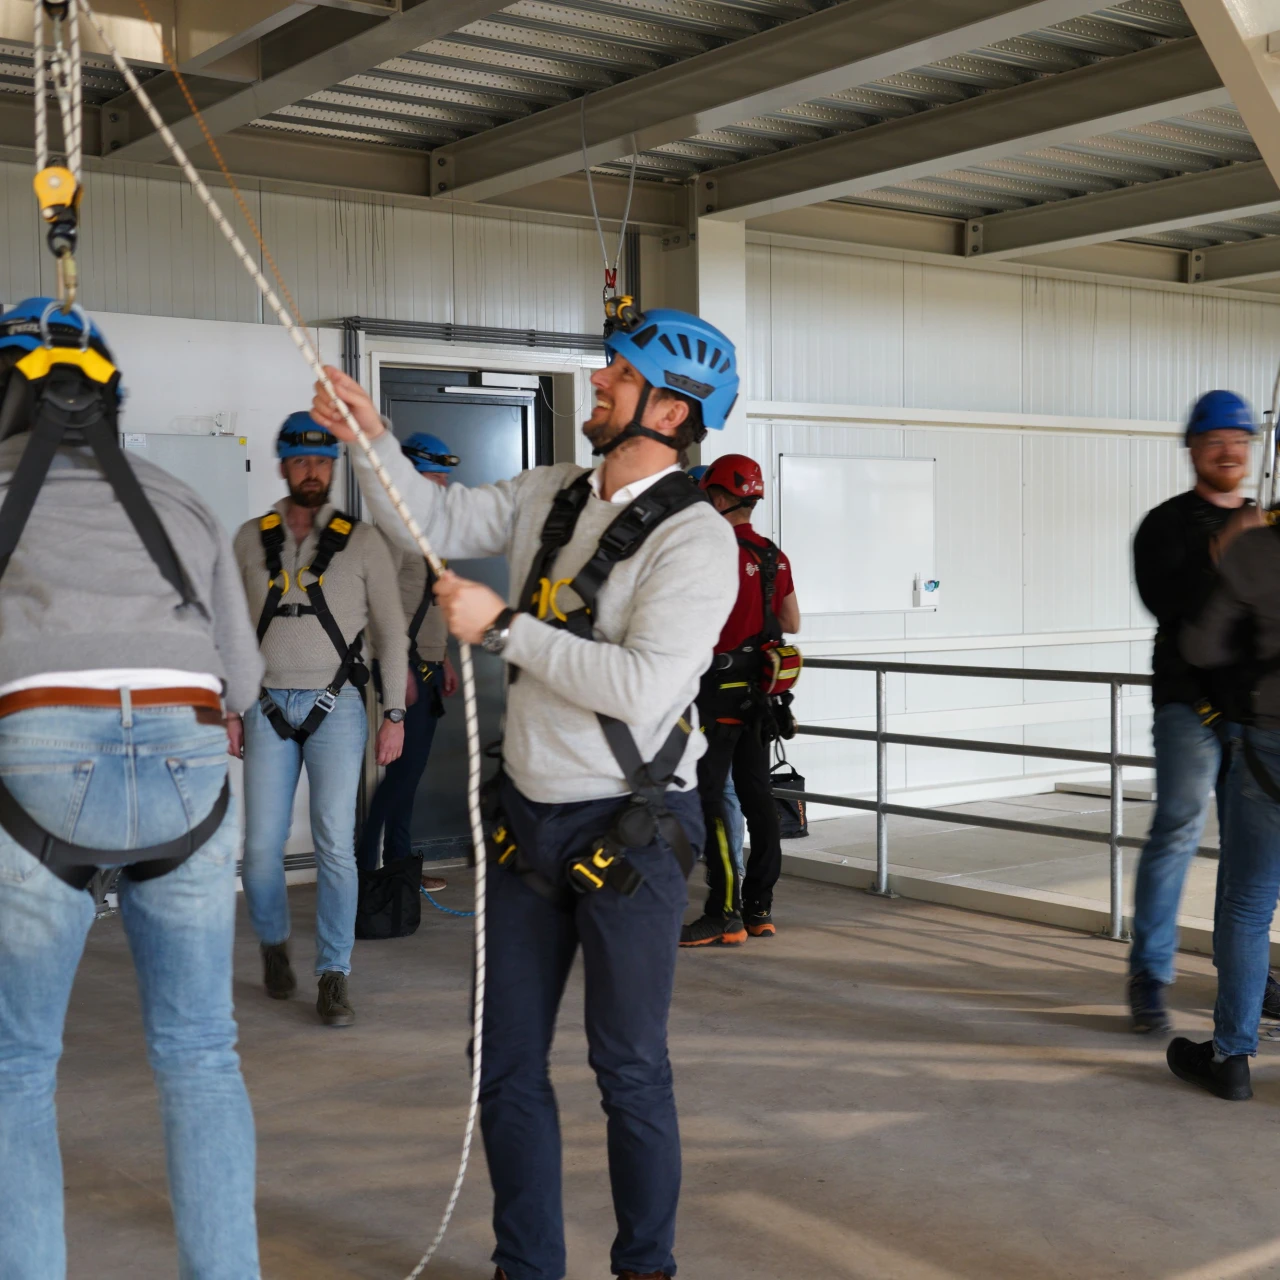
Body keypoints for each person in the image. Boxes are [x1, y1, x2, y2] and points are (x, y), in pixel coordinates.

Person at [309, 305, 739, 1280]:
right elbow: (436, 519)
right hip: (528, 822)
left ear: (668, 410)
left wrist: (502, 627)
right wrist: (369, 437)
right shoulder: (553, 491)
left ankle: (645, 1266)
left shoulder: (697, 542)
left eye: (615, 379)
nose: (595, 386)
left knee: (627, 1070)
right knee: (500, 1064)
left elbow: (637, 683)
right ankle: (526, 1266)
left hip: (627, 831)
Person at [0, 298, 263, 1278]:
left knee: (15, 1067)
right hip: (187, 771)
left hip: (33, 762)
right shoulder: (178, 499)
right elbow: (239, 679)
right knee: (199, 1053)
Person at [231, 413, 409, 1027]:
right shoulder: (250, 539)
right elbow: (226, 632)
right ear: (283, 465)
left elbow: (391, 635)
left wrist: (394, 714)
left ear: (333, 467)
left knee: (336, 847)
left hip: (337, 711)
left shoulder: (362, 543)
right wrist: (229, 707)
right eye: (303, 461)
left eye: (324, 461)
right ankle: (275, 945)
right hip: (266, 707)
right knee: (259, 852)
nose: (314, 471)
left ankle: (335, 973)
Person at [1128, 390, 1280, 1033]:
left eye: (1240, 441)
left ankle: (1242, 982)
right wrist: (1227, 555)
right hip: (1190, 704)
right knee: (1181, 821)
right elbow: (1173, 609)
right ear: (1192, 448)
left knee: (1249, 853)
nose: (1229, 451)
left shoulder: (1266, 524)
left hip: (1252, 713)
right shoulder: (1164, 525)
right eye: (1216, 440)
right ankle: (1151, 973)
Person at [1169, 500, 1280, 1100]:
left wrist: (1227, 559)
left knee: (1248, 904)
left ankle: (1232, 1057)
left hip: (1270, 751)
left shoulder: (1258, 549)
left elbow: (1202, 647)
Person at [681, 453, 801, 947]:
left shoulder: (706, 552)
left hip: (714, 691)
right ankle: (759, 909)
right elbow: (790, 622)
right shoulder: (773, 554)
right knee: (757, 798)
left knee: (711, 800)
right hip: (759, 696)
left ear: (721, 497)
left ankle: (723, 913)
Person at [357, 433, 460, 885]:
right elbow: (376, 606)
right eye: (435, 475)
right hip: (407, 667)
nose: (441, 484)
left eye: (444, 477)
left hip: (430, 664)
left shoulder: (428, 529)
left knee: (408, 773)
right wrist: (397, 674)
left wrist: (447, 659)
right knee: (402, 773)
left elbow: (430, 603)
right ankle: (367, 868)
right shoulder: (393, 530)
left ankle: (399, 865)